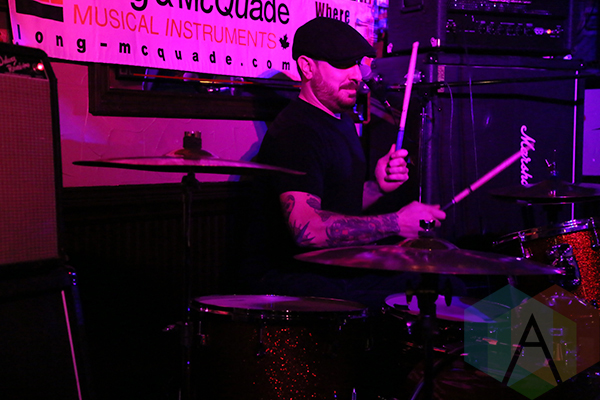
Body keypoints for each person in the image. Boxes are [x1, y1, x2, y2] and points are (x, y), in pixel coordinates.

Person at [238, 17, 451, 311]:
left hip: (330, 270)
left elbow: (335, 205)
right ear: (307, 67)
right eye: (341, 64)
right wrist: (396, 222)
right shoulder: (296, 132)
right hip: (288, 281)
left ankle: (509, 340)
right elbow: (307, 230)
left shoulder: (340, 120)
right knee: (427, 294)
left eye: (356, 64)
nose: (356, 75)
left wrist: (376, 187)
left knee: (443, 282)